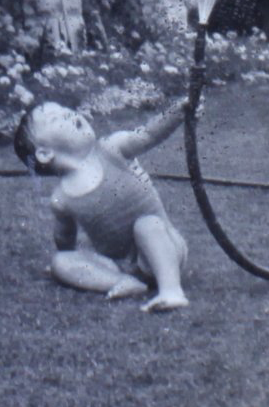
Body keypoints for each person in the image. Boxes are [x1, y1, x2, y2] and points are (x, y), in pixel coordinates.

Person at [13, 99, 189, 312]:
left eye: (66, 108)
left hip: (165, 248)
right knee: (60, 261)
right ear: (44, 153)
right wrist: (72, 263)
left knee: (147, 225)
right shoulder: (61, 199)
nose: (69, 113)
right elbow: (64, 239)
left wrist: (177, 112)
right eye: (55, 118)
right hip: (115, 264)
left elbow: (148, 135)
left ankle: (171, 290)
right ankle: (122, 281)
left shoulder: (111, 148)